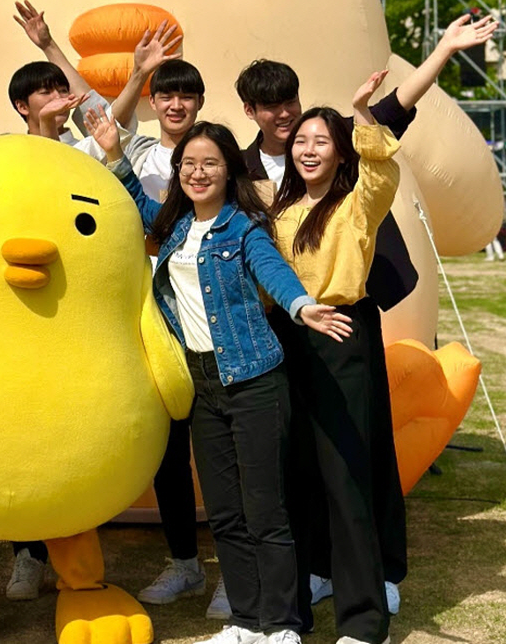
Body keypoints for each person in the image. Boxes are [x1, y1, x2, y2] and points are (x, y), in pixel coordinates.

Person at [234, 11, 498, 616]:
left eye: (290, 103)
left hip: (347, 315)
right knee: (298, 455)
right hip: (285, 326)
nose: (284, 116)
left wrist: (443, 51)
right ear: (250, 112)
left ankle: (381, 569)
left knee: (364, 446)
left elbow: (393, 113)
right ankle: (319, 569)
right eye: (269, 107)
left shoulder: (337, 145)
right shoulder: (247, 171)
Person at [86, 106, 352, 644]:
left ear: (229, 171)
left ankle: (282, 624)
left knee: (265, 510)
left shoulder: (245, 226)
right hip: (202, 386)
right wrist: (114, 151)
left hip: (254, 380)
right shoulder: (177, 225)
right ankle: (246, 620)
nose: (197, 171)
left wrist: (301, 305)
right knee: (226, 511)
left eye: (210, 163)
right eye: (188, 163)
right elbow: (139, 205)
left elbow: (271, 269)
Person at [14, 2, 229, 613]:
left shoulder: (212, 153)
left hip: (203, 305)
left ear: (200, 104)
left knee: (215, 439)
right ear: (158, 102)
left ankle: (233, 569)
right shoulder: (134, 150)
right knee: (165, 442)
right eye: (166, 94)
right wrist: (54, 45)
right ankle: (185, 562)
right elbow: (93, 110)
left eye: (186, 96)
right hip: (146, 306)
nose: (176, 105)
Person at [268, 71, 401, 644]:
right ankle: (290, 615)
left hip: (343, 337)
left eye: (321, 140)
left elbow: (383, 171)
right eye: (301, 141)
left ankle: (364, 621)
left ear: (339, 150)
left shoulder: (355, 205)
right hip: (288, 342)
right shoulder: (281, 213)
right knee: (295, 478)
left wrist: (361, 111)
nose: (309, 149)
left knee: (347, 478)